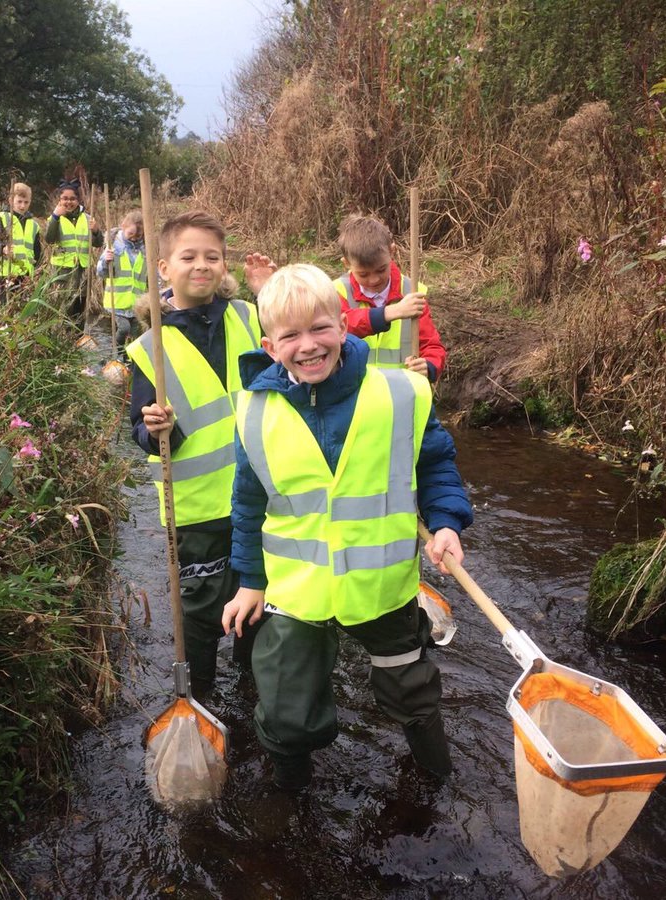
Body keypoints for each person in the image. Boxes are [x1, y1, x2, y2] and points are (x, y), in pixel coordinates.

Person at [221, 263, 472, 791]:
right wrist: (249, 580)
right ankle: (293, 797)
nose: (308, 346)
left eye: (320, 329)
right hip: (297, 590)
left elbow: (436, 466)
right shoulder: (254, 413)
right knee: (287, 712)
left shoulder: (401, 394)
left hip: (381, 587)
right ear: (270, 346)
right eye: (291, 336)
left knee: (414, 695)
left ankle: (435, 784)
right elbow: (246, 503)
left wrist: (446, 523)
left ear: (344, 324)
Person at [126, 210, 264, 697]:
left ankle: (252, 683)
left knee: (260, 595)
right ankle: (202, 695)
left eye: (213, 256)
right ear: (164, 268)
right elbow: (139, 431)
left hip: (262, 497)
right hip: (197, 510)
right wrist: (156, 429)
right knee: (202, 611)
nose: (201, 265)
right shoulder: (149, 348)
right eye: (188, 257)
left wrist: (267, 290)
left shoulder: (248, 317)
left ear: (224, 265)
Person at [335, 214, 446, 381]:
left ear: (392, 251)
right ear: (346, 263)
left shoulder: (412, 292)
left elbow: (432, 345)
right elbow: (336, 329)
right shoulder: (336, 291)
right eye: (363, 274)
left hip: (401, 392)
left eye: (381, 270)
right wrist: (389, 313)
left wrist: (428, 366)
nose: (373, 280)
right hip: (354, 396)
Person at [44, 179, 102, 329]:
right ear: (59, 200)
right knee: (64, 309)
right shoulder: (54, 218)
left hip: (82, 271)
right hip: (62, 272)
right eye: (65, 198)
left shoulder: (88, 219)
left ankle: (78, 340)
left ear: (78, 200)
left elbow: (98, 243)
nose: (68, 202)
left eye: (72, 199)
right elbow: (49, 239)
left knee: (80, 309)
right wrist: (56, 217)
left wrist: (96, 231)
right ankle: (64, 342)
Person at [97, 209, 146, 356]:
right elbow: (101, 273)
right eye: (131, 234)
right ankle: (114, 354)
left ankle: (128, 361)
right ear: (123, 226)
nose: (134, 238)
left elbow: (150, 276)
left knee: (136, 335)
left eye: (138, 235)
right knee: (124, 329)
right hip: (117, 302)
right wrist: (106, 261)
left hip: (137, 303)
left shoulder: (145, 250)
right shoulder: (113, 247)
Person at [0, 182, 42, 293]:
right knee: (4, 308)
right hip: (5, 272)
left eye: (26, 202)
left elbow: (37, 251)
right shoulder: (1, 217)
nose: (22, 206)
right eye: (19, 202)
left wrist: (37, 270)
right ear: (11, 200)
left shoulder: (34, 224)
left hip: (26, 275)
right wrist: (3, 249)